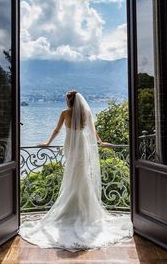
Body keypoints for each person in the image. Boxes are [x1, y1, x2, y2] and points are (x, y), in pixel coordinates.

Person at [19, 91, 133, 251]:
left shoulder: (64, 113)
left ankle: (71, 206)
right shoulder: (86, 112)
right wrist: (100, 142)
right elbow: (93, 131)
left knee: (72, 173)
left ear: (69, 101)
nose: (65, 101)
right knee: (83, 174)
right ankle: (85, 208)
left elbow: (57, 130)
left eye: (66, 99)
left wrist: (47, 142)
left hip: (71, 146)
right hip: (82, 145)